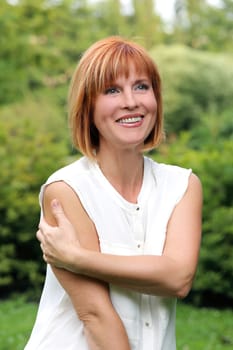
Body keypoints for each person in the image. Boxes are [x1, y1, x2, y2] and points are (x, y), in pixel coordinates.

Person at [25, 36, 202, 350]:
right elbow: (95, 315)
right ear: (88, 104)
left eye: (141, 86)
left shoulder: (183, 186)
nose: (131, 101)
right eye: (111, 90)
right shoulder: (66, 190)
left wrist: (78, 259)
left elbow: (178, 278)